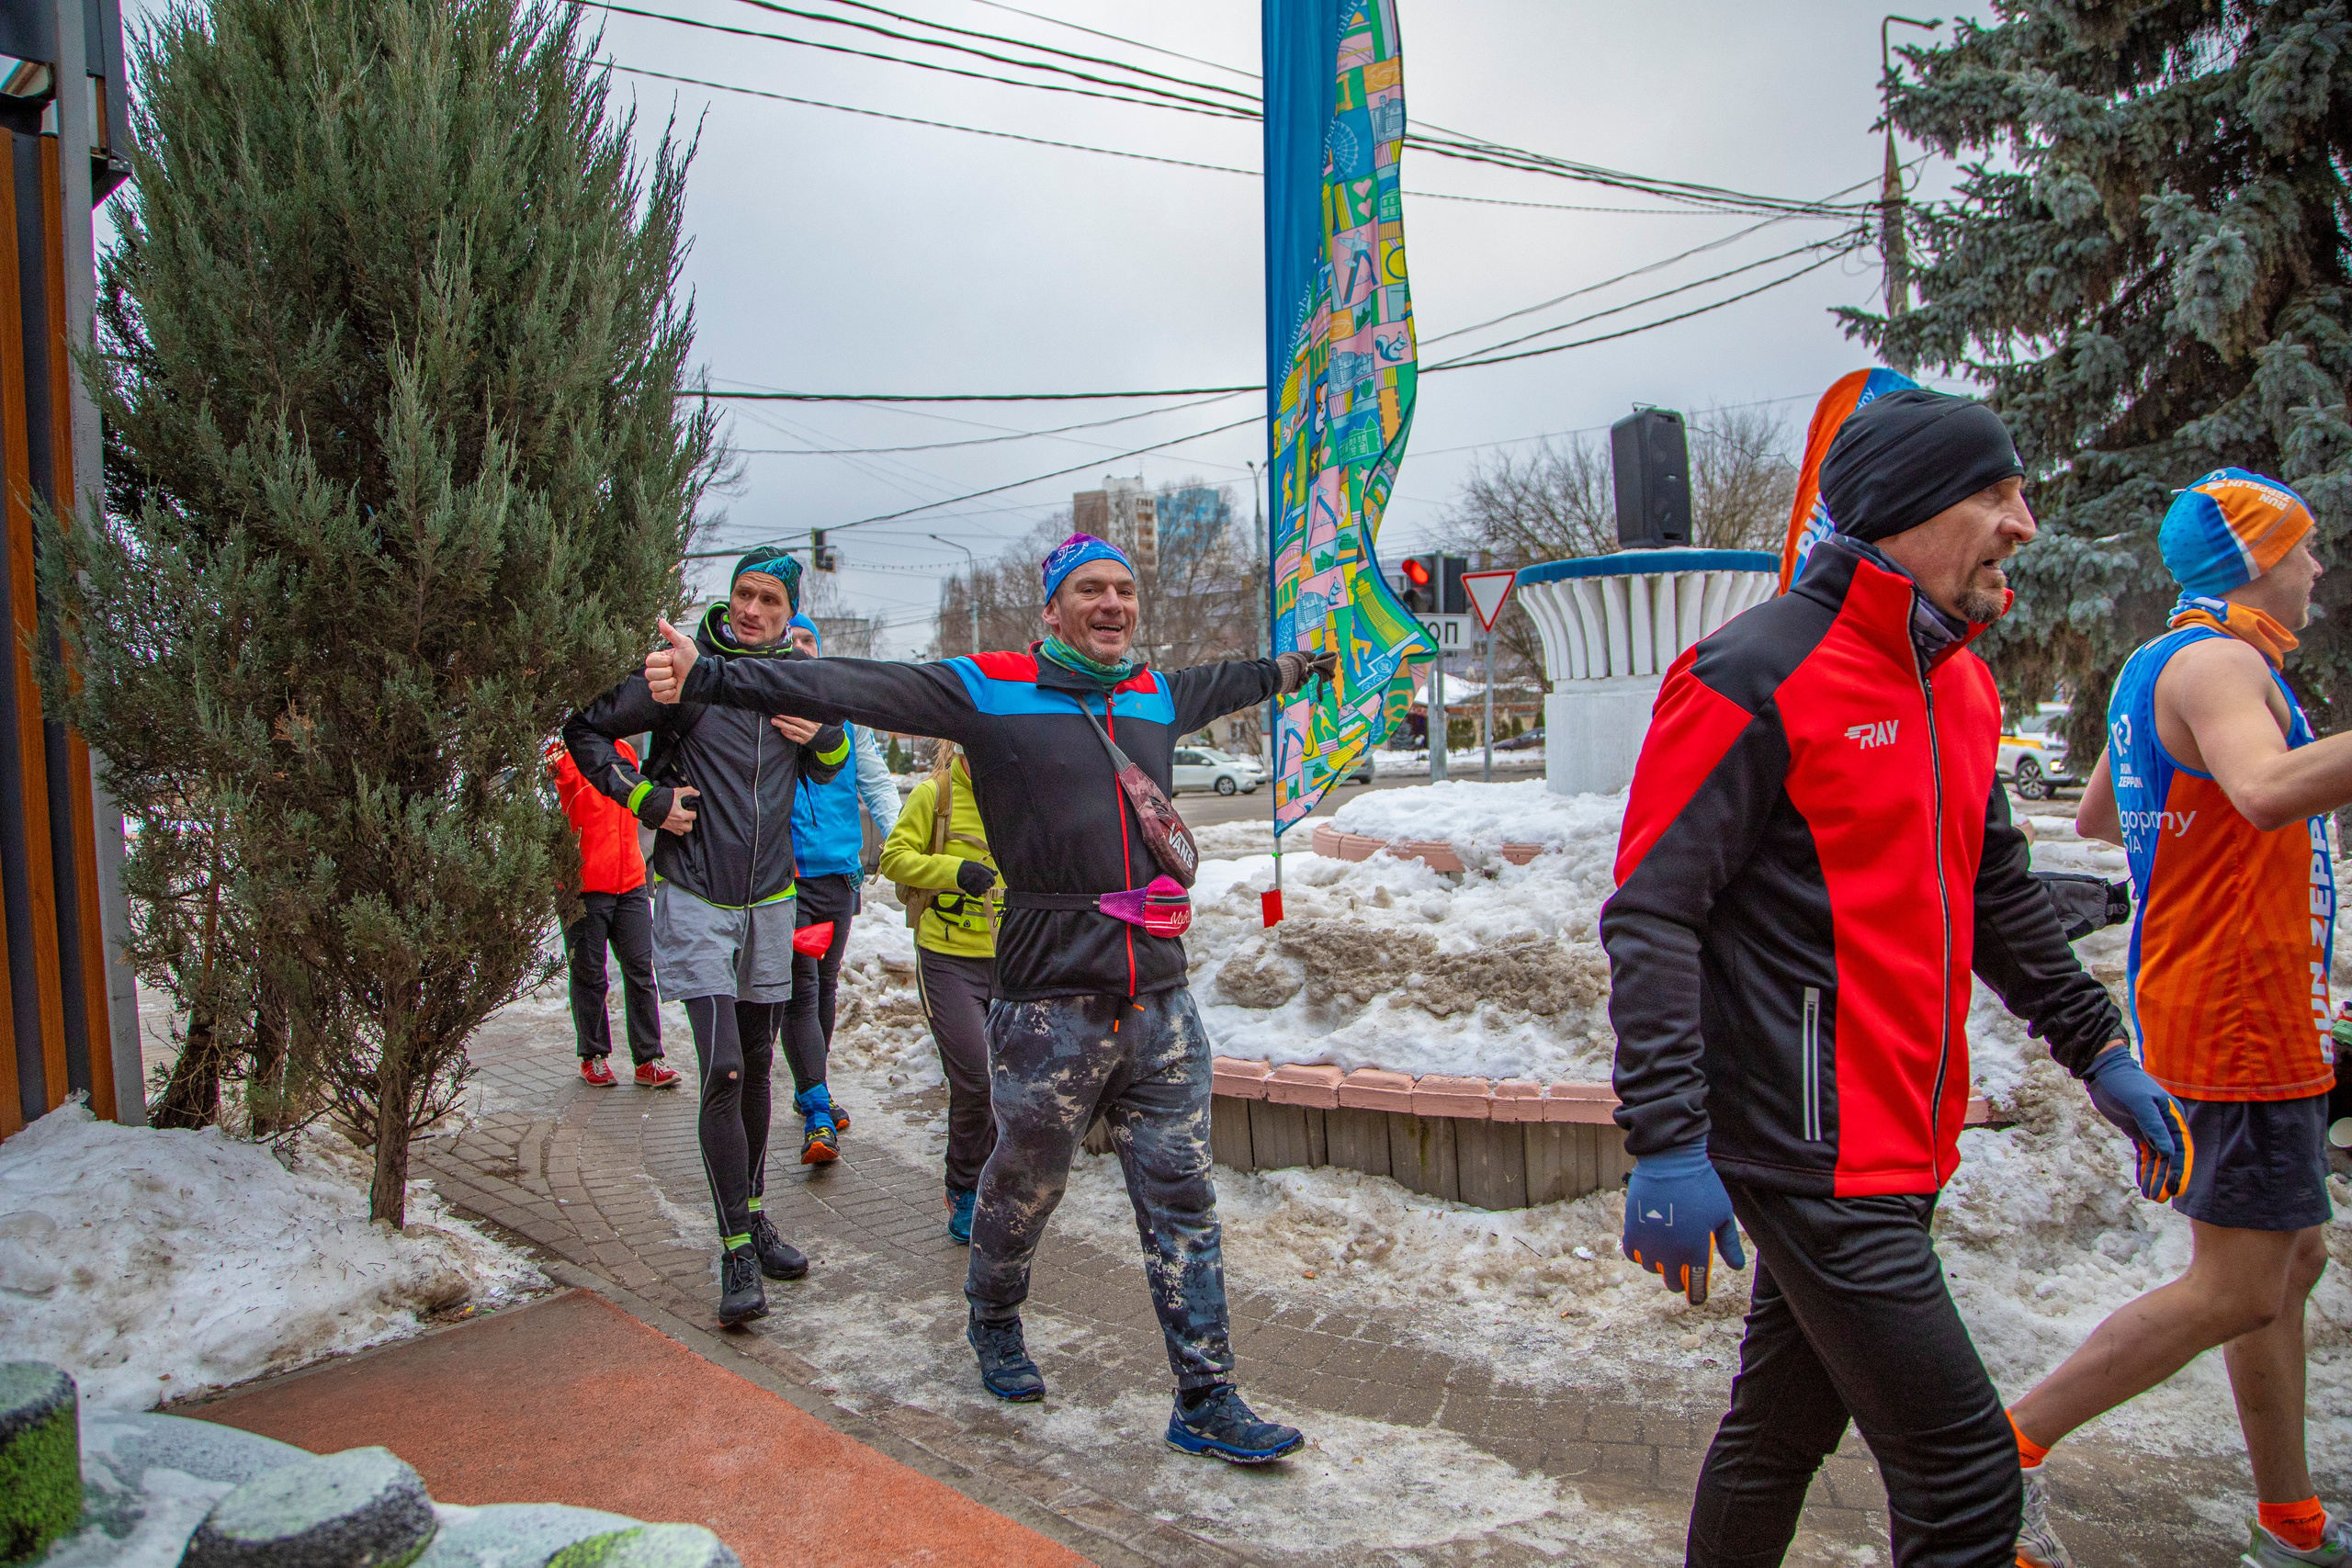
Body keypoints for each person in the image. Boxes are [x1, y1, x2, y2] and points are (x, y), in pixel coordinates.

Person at [1603, 389, 2190, 1568]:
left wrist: (2099, 1050)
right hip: (1807, 1148)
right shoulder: (1751, 671)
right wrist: (1666, 1139)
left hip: (1904, 1132)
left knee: (1780, 1429)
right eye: (1995, 494)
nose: (2023, 523)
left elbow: (1998, 894)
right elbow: (1653, 913)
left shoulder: (1958, 682)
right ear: (1908, 509)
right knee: (1966, 1478)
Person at [639, 532, 1333, 1462]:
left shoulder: (1155, 695)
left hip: (1161, 1007)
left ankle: (1206, 1396)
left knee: (1185, 1203)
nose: (1113, 604)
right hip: (1049, 1006)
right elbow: (852, 684)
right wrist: (716, 675)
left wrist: (1302, 664)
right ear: (1053, 608)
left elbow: (1237, 678)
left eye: (1124, 590)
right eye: (1090, 589)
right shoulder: (991, 688)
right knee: (1025, 1186)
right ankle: (994, 1315)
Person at [2007, 469, 2345, 1568]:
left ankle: (2290, 1520)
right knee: (2238, 1285)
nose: (2317, 567)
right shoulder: (2219, 663)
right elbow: (2265, 791)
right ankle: (1999, 1453)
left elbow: (2103, 813)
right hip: (2240, 1010)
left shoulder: (2161, 662)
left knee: (2286, 1263)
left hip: (2222, 995)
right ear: (2254, 562)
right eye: (2302, 548)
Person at [563, 546, 850, 1327]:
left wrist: (820, 735)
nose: (752, 609)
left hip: (772, 898)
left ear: (790, 614)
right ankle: (734, 1251)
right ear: (729, 597)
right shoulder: (683, 670)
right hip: (695, 894)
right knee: (722, 1067)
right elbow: (584, 728)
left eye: (769, 600)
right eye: (743, 594)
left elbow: (833, 763)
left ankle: (752, 1213)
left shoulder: (798, 678)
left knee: (756, 1066)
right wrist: (644, 798)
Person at [780, 611, 903, 1163]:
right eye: (792, 639)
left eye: (809, 640)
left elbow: (876, 783)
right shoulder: (769, 717)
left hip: (839, 875)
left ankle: (813, 1086)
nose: (801, 648)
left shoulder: (845, 720)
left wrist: (902, 845)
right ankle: (816, 1109)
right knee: (801, 990)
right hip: (786, 878)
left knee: (825, 988)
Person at [878, 741, 1000, 1242]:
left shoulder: (1022, 792)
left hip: (1013, 957)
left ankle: (1001, 1184)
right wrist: (954, 872)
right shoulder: (935, 794)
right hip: (948, 958)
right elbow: (893, 858)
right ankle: (964, 1188)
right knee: (976, 1077)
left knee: (1013, 1080)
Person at [544, 735, 681, 1089]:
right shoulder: (564, 753)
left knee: (641, 971)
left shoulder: (624, 751)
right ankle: (593, 1056)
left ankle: (648, 1059)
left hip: (630, 881)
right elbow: (549, 787)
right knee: (590, 975)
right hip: (583, 887)